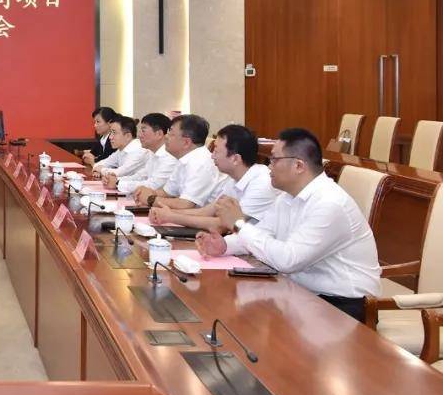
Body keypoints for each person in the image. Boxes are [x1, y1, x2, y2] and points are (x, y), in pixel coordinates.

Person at [198, 128, 381, 321]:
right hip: (301, 293)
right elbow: (263, 232)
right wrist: (224, 245)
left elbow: (288, 261)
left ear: (298, 165)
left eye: (274, 160)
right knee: (231, 309)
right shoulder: (287, 197)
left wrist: (239, 224)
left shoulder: (330, 203)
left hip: (342, 305)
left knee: (244, 318)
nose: (269, 167)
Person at [150, 124, 279, 231]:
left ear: (235, 159)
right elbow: (207, 211)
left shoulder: (261, 182)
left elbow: (222, 225)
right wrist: (166, 212)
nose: (212, 156)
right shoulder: (233, 179)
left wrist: (172, 217)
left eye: (216, 151)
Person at [134, 114, 222, 210]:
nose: (166, 136)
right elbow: (166, 192)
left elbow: (185, 205)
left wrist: (150, 199)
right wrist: (145, 192)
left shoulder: (200, 162)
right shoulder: (184, 159)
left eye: (171, 134)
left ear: (186, 142)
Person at [108, 112, 177, 194]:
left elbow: (153, 185)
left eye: (143, 131)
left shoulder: (169, 157)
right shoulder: (152, 153)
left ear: (159, 134)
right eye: (140, 130)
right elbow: (141, 176)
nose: (139, 135)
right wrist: (117, 180)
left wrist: (118, 183)